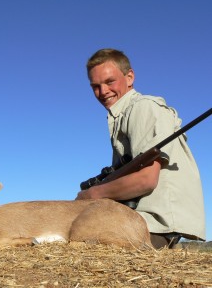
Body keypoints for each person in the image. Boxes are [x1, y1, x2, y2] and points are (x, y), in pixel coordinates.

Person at [76, 48, 206, 249]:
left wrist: (93, 194)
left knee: (77, 239)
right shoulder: (121, 115)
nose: (103, 92)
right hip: (143, 222)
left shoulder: (142, 108)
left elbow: (146, 180)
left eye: (110, 82)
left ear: (130, 77)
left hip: (154, 226)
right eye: (95, 86)